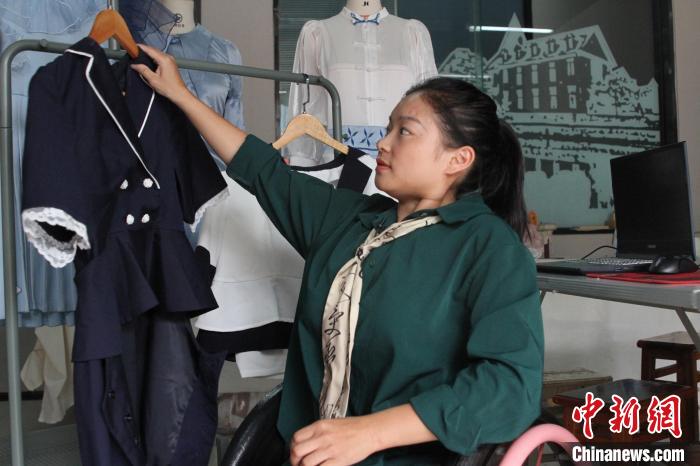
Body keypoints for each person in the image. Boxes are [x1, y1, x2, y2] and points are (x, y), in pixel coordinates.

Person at [132, 44, 544, 466]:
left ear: (458, 159)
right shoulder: (349, 219)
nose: (382, 143)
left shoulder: (488, 249)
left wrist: (370, 432)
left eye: (404, 131)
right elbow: (262, 170)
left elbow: (511, 387)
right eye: (388, 128)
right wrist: (180, 94)